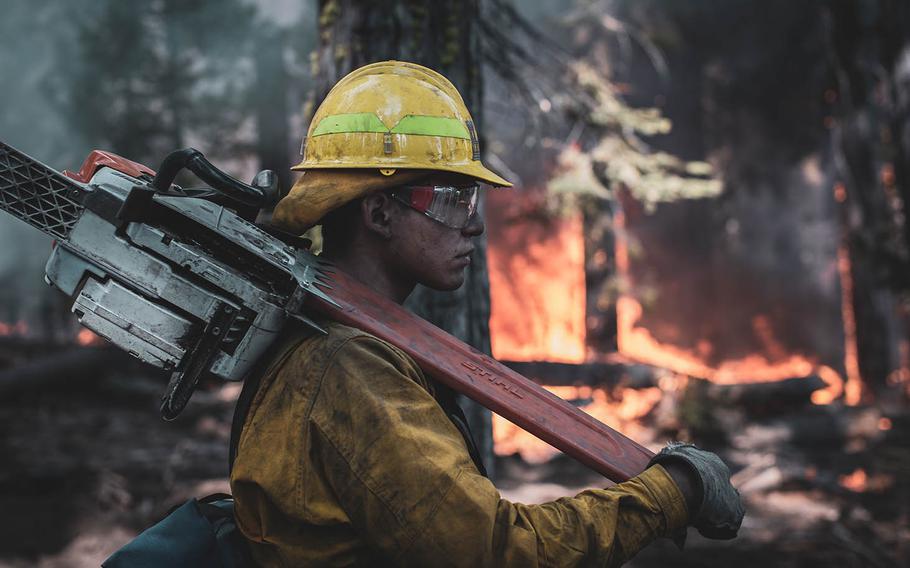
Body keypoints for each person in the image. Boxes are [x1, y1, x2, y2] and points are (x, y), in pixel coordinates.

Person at [230, 60, 744, 567]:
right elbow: (495, 554)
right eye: (453, 199)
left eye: (471, 200)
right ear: (379, 212)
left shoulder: (346, 339)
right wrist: (668, 495)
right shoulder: (349, 366)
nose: (473, 227)